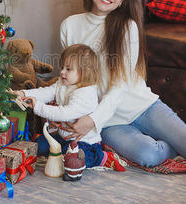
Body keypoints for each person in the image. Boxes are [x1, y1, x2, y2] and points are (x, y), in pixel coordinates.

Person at [59, 0, 186, 167]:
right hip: (110, 122)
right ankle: (176, 141)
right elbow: (71, 80)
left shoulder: (126, 27)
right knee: (148, 156)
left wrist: (93, 120)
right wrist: (68, 114)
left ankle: (183, 136)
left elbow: (121, 85)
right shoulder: (69, 25)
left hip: (142, 106)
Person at [12, 44, 125, 174]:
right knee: (38, 146)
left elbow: (64, 113)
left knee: (72, 161)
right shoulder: (63, 83)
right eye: (62, 67)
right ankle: (57, 147)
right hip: (63, 137)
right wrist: (25, 94)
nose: (62, 72)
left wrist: (38, 106)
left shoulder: (85, 94)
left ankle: (101, 158)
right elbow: (46, 92)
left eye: (68, 69)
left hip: (84, 142)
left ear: (85, 72)